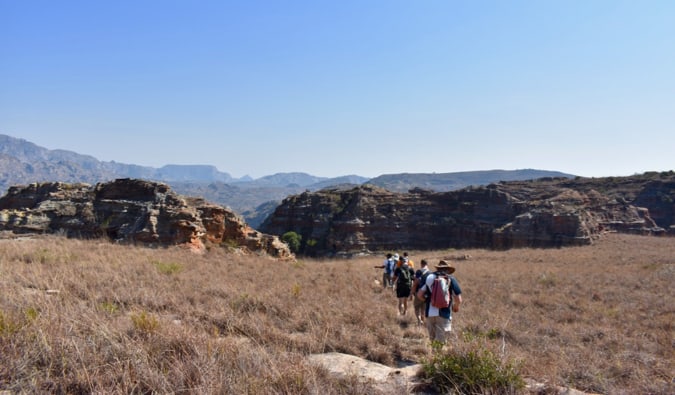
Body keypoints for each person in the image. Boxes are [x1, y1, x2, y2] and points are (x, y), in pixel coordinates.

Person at [416, 260, 462, 345]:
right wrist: (456, 307)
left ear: (438, 268)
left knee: (432, 340)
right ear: (448, 269)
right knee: (441, 341)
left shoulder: (429, 277)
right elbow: (458, 299)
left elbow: (419, 295)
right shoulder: (450, 278)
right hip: (444, 313)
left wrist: (427, 301)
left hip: (430, 313)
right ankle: (438, 357)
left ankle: (433, 356)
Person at [411, 259, 430, 325]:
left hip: (419, 292)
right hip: (427, 294)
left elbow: (415, 283)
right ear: (427, 264)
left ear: (421, 264)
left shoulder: (419, 271)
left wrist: (412, 292)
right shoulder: (430, 273)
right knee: (423, 308)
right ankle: (422, 320)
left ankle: (419, 320)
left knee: (416, 307)